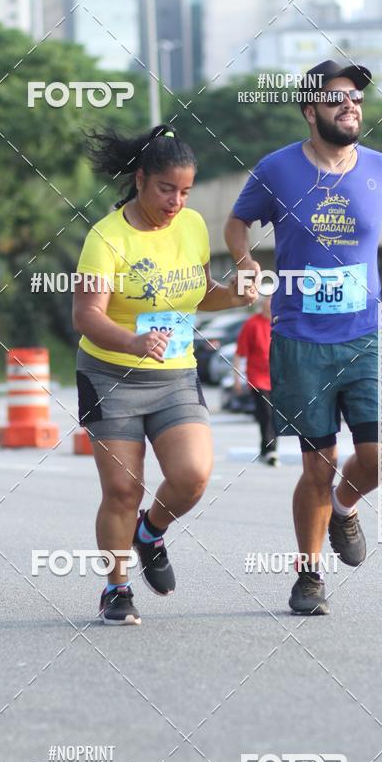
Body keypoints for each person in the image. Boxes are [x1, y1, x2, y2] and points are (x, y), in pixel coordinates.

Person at [224, 59, 382, 616]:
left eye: (358, 99)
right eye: (339, 98)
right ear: (310, 109)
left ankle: (346, 506)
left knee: (381, 457)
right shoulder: (276, 170)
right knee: (316, 465)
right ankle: (309, 575)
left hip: (366, 337)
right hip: (300, 339)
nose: (352, 106)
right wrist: (246, 261)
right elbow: (236, 222)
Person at [73, 123, 257, 625]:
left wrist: (236, 292)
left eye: (185, 191)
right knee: (121, 491)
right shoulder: (106, 238)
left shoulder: (193, 226)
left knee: (192, 476)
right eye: (165, 189)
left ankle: (150, 532)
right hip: (110, 375)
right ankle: (116, 588)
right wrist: (132, 341)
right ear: (139, 181)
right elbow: (87, 314)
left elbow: (200, 293)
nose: (176, 201)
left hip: (174, 373)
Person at [233, 296, 278, 466]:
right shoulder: (252, 324)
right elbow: (239, 353)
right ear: (261, 303)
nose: (269, 302)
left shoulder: (281, 323)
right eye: (267, 299)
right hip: (257, 378)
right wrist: (236, 379)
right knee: (265, 414)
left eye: (272, 299)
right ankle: (270, 450)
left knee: (274, 416)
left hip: (277, 378)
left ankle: (268, 449)